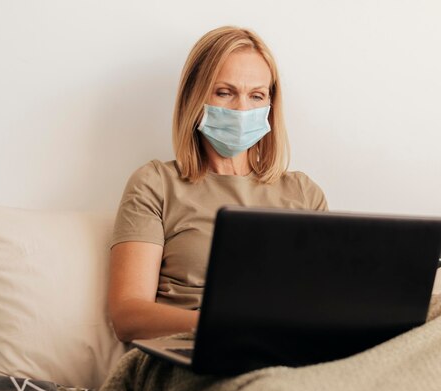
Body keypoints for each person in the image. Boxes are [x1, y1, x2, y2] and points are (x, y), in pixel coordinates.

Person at [107, 26, 328, 342]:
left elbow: (323, 303)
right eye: (225, 92)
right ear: (195, 98)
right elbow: (128, 316)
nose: (242, 109)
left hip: (283, 354)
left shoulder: (304, 194)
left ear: (270, 105)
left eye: (256, 95)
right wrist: (223, 325)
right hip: (191, 354)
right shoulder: (155, 184)